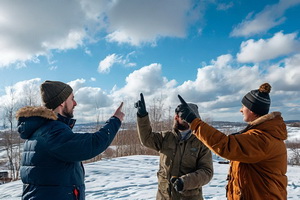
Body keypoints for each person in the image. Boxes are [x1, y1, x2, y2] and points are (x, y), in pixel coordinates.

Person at [16, 80, 125, 200]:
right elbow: (93, 144)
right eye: (72, 98)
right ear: (62, 102)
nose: (75, 103)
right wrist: (115, 120)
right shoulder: (52, 132)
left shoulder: (40, 130)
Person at [177, 83, 287, 200]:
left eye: (243, 106)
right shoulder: (258, 135)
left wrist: (194, 121)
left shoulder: (261, 139)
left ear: (252, 110)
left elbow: (225, 145)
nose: (241, 110)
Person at [135, 93, 213, 200]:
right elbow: (146, 139)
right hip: (164, 196)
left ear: (191, 119)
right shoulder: (166, 137)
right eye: (176, 115)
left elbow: (206, 172)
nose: (176, 117)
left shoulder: (202, 142)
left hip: (189, 197)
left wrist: (185, 182)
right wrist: (142, 115)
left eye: (180, 116)